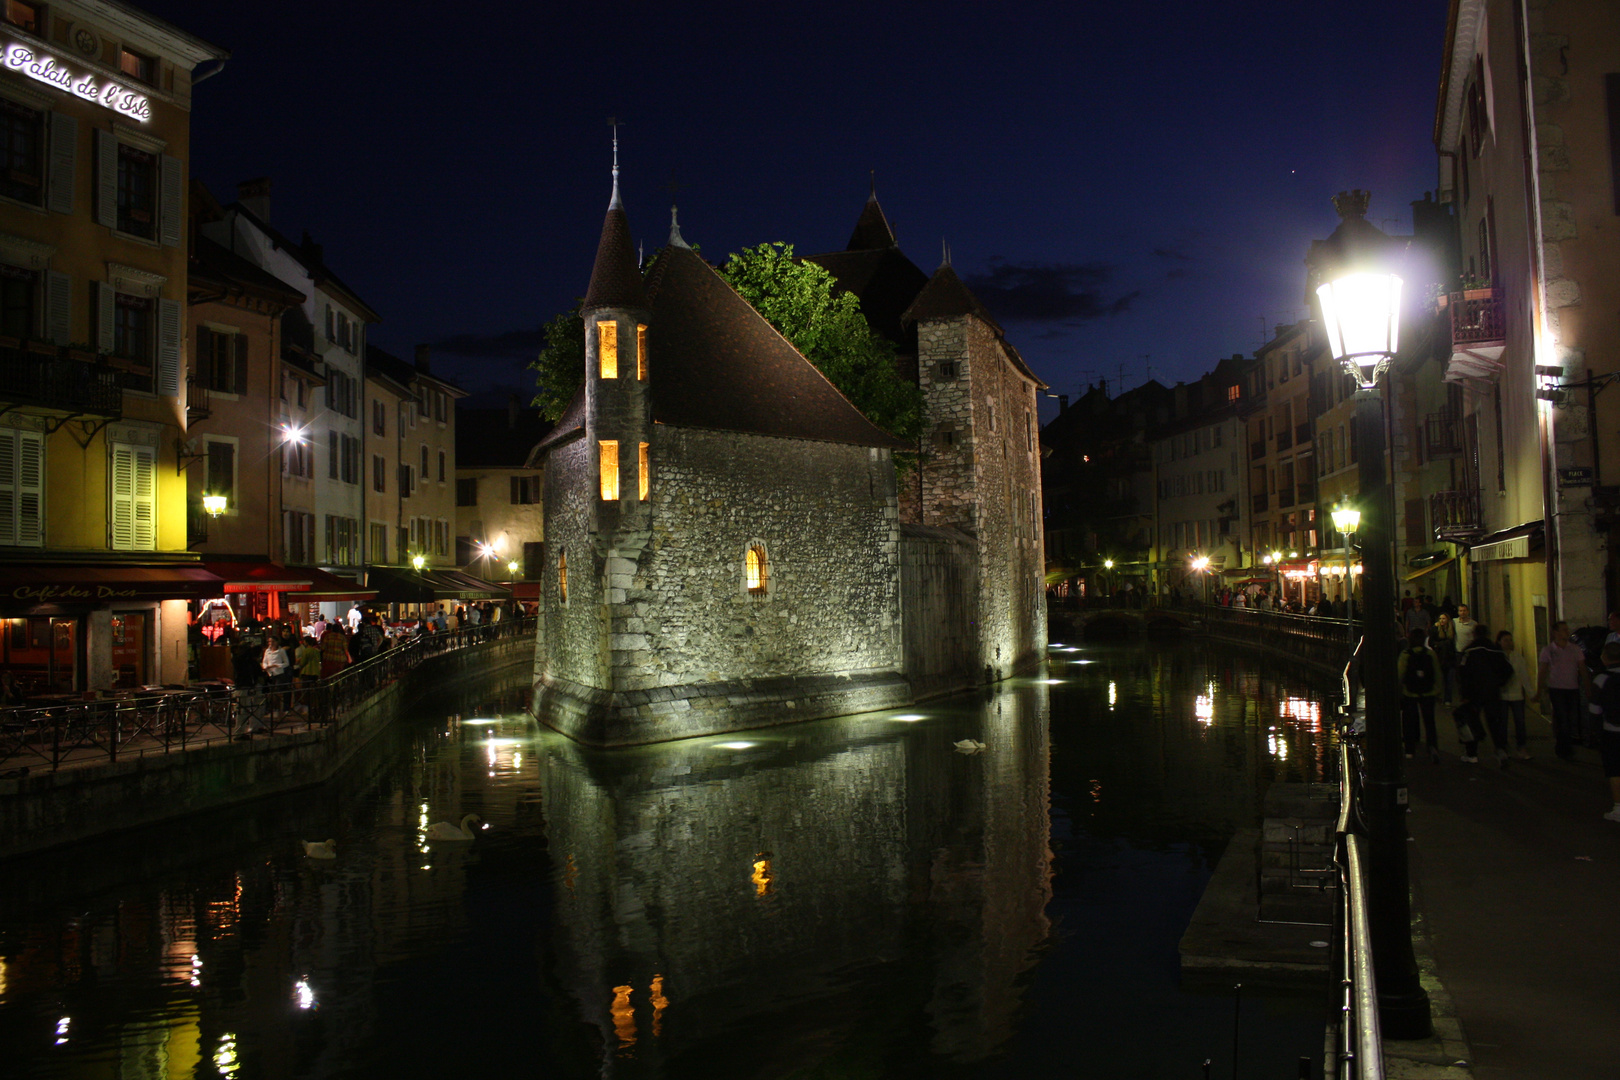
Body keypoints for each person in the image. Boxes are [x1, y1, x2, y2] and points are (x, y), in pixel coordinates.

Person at [1457, 624, 1513, 765]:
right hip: (1492, 692)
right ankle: (1500, 750)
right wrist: (1499, 683)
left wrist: (1464, 694)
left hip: (1473, 693)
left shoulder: (1469, 651)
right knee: (1494, 722)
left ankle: (1472, 754)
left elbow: (1463, 674)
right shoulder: (1495, 650)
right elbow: (1508, 670)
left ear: (1474, 634)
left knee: (1471, 722)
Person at [1538, 620, 1591, 760]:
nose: (1567, 632)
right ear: (1555, 632)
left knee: (1570, 718)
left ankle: (1563, 745)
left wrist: (1587, 688)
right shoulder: (1548, 650)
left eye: (1567, 630)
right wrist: (1540, 688)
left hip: (1572, 688)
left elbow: (1583, 669)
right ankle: (1564, 748)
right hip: (1557, 689)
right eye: (1563, 630)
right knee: (1563, 719)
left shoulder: (1575, 649)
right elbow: (1542, 671)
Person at [1398, 628, 1441, 761]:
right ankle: (1432, 746)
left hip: (1409, 692)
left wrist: (1399, 690)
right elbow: (1437, 673)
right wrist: (1438, 690)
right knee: (1429, 721)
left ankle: (1410, 749)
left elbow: (1400, 674)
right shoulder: (1430, 654)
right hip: (1428, 692)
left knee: (1409, 722)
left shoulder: (1406, 654)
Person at [1589, 642, 1620, 822]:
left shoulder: (1601, 679)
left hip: (1612, 731)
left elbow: (1595, 710)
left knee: (1615, 770)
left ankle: (1618, 808)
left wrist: (1595, 733)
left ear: (1605, 658)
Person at [1498, 630, 1533, 760]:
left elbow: (1524, 676)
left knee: (1520, 723)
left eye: (1510, 640)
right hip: (1502, 695)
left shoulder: (1517, 657)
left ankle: (1521, 748)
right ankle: (1503, 748)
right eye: (1506, 640)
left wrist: (1531, 693)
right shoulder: (1497, 657)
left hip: (1517, 695)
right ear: (1499, 642)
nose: (1509, 642)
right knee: (1502, 723)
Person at [260, 634, 292, 716]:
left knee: (278, 691)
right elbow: (264, 661)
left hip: (279, 673)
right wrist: (266, 667)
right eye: (269, 642)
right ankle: (271, 708)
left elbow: (286, 663)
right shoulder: (267, 651)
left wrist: (278, 665)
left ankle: (280, 708)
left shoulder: (281, 651)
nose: (271, 643)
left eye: (273, 641)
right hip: (270, 673)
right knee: (270, 692)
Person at [1431, 612, 1459, 706]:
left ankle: (1448, 699)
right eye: (1440, 618)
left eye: (1443, 618)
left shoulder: (1452, 629)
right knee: (1439, 679)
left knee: (1449, 680)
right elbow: (1431, 641)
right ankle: (1438, 697)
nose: (1442, 620)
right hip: (1440, 658)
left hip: (1450, 659)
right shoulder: (1435, 629)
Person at [295, 634, 321, 708]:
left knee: (306, 690)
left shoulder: (306, 651)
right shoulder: (316, 651)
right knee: (314, 689)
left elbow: (303, 662)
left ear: (306, 642)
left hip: (307, 672)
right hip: (315, 672)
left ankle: (307, 705)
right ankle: (315, 704)